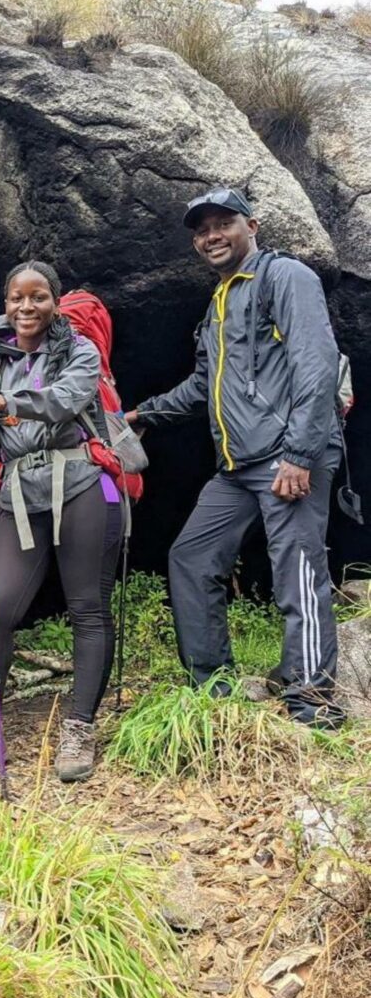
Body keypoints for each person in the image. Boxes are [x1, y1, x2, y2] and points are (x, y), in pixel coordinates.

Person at [129, 187, 345, 730]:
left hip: (289, 457)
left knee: (296, 572)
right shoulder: (220, 301)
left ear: (252, 225)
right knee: (191, 557)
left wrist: (300, 453)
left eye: (222, 222)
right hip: (237, 467)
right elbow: (204, 385)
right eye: (201, 230)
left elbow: (316, 366)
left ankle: (312, 698)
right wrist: (143, 415)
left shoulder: (285, 277)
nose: (210, 236)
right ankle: (214, 687)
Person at [0, 260, 122, 782]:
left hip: (82, 482)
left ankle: (79, 730)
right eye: (17, 298)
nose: (26, 307)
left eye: (38, 297)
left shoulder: (80, 351)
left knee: (87, 606)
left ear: (54, 302)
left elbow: (65, 401)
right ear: (6, 303)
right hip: (22, 491)